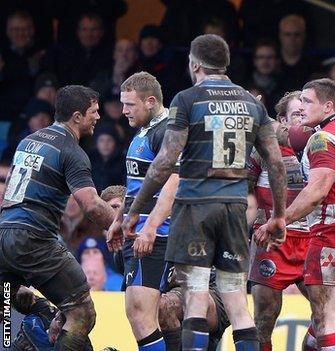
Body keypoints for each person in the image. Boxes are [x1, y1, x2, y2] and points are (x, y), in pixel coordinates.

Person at [122, 34, 287, 350]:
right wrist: (279, 215)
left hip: (196, 208)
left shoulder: (186, 100)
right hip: (235, 209)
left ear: (194, 64)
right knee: (238, 303)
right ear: (225, 63)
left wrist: (135, 212)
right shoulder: (252, 103)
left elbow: (165, 163)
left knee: (196, 298)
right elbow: (276, 163)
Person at [256, 78, 335, 351]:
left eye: (308, 102)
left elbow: (318, 189)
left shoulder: (323, 138)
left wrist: (280, 219)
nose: (302, 106)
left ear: (328, 106)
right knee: (334, 316)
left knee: (325, 317)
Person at [0, 85, 116, 350]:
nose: (98, 117)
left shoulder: (28, 141)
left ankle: (31, 337)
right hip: (34, 239)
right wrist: (124, 226)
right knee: (81, 313)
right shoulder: (71, 151)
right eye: (94, 112)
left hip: (3, 233)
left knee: (14, 296)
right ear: (77, 116)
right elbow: (92, 205)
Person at [106, 71, 180, 351]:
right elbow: (137, 184)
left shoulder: (166, 131)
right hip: (137, 231)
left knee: (141, 314)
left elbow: (175, 180)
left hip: (155, 234)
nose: (123, 111)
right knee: (140, 315)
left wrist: (151, 228)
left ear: (150, 101)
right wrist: (118, 218)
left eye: (130, 105)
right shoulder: (145, 130)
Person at [248, 118, 309, 351]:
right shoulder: (261, 151)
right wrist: (253, 227)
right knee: (264, 318)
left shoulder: (319, 145)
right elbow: (245, 192)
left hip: (311, 238)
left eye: (304, 115)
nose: (298, 122)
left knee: (328, 313)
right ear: (282, 121)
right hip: (271, 242)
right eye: (295, 115)